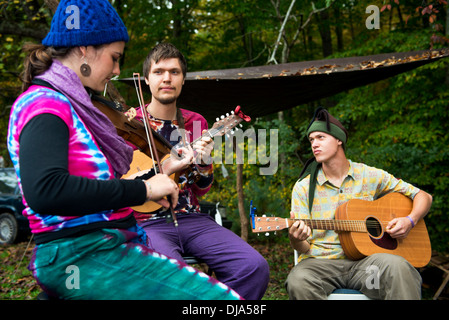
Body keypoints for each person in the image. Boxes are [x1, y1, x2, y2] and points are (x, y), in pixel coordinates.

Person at [7, 0, 241, 300]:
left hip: (108, 241)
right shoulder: (45, 103)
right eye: (114, 57)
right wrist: (142, 191)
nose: (117, 70)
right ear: (84, 49)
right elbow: (47, 191)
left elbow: (94, 188)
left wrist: (158, 176)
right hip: (81, 252)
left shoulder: (77, 106)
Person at [132, 43, 269, 300]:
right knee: (176, 279)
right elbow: (117, 182)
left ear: (183, 80)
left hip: (191, 219)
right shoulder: (129, 123)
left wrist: (203, 163)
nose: (166, 78)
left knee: (253, 267)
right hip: (146, 223)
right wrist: (164, 167)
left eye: (174, 72)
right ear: (147, 80)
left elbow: (200, 187)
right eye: (159, 71)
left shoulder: (197, 122)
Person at [286, 107, 433, 300]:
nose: (314, 144)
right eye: (311, 140)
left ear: (339, 140)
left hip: (367, 263)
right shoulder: (303, 188)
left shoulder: (369, 175)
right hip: (320, 264)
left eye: (321, 137)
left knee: (399, 267)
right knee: (299, 280)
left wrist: (409, 220)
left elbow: (423, 196)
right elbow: (303, 247)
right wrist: (296, 238)